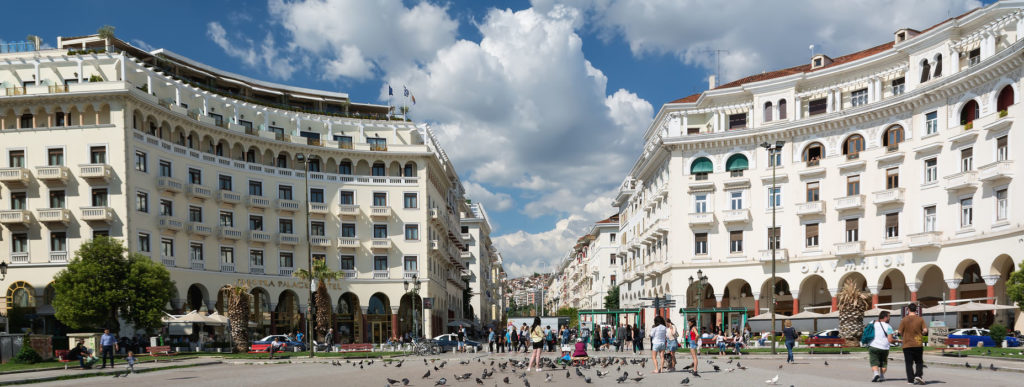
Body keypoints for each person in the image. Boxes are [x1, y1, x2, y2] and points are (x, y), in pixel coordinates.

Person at [898, 304, 927, 385]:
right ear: (916, 310)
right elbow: (925, 330)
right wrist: (922, 333)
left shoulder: (904, 319)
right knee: (919, 361)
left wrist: (903, 335)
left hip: (907, 344)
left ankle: (910, 380)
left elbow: (899, 332)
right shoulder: (920, 319)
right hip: (918, 344)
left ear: (908, 310)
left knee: (908, 363)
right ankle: (918, 375)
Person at [867, 310, 896, 383]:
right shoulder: (888, 326)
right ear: (885, 317)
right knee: (883, 363)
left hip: (873, 345)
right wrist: (897, 341)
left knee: (874, 362)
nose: (889, 318)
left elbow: (866, 329)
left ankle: (876, 374)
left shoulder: (872, 323)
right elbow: (890, 340)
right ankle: (882, 376)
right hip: (884, 347)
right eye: (889, 317)